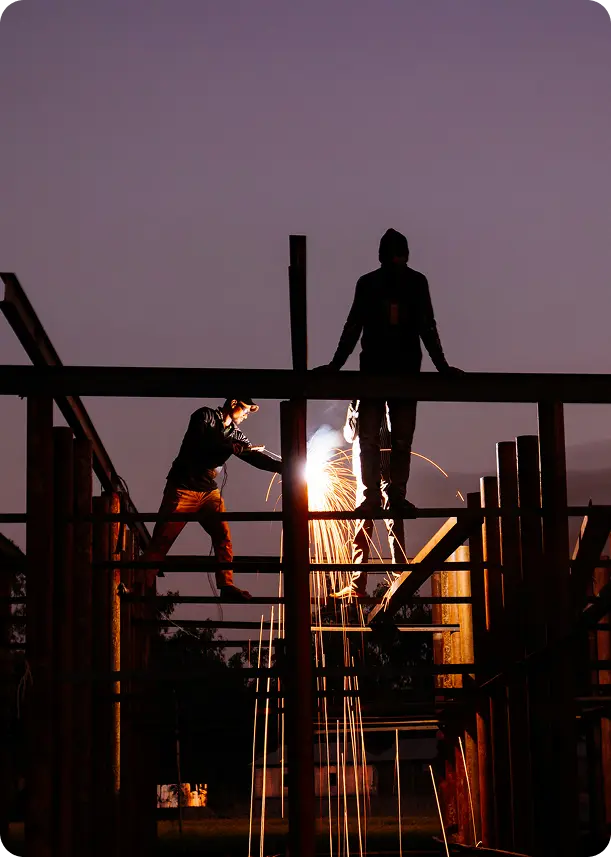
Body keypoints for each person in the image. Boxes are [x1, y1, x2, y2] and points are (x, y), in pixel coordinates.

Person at [318, 228, 462, 517]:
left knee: (368, 438)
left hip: (374, 371)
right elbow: (427, 327)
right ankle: (394, 496)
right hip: (404, 372)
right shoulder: (415, 282)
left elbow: (353, 327)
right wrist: (442, 366)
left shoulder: (369, 283)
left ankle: (372, 498)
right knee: (400, 439)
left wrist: (335, 365)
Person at [141, 398, 282, 602]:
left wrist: (281, 468)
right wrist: (229, 446)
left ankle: (226, 585)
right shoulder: (204, 416)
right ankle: (138, 587)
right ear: (234, 403)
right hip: (183, 489)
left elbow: (254, 457)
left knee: (223, 536)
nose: (246, 415)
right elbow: (203, 440)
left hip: (208, 492)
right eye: (245, 409)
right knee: (161, 543)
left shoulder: (235, 434)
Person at [332, 400, 406, 598]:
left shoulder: (390, 402)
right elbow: (349, 435)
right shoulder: (356, 404)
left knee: (394, 522)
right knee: (362, 527)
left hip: (387, 471)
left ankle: (400, 576)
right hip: (365, 476)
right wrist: (356, 410)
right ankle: (357, 586)